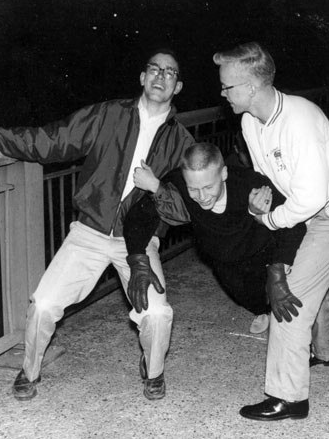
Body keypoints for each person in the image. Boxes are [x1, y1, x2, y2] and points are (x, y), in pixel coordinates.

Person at [0, 48, 194, 401]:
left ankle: (154, 370)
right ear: (142, 77)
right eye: (154, 69)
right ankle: (29, 371)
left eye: (170, 72)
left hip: (138, 242)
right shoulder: (108, 114)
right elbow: (52, 140)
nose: (161, 76)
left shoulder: (181, 142)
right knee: (43, 304)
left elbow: (184, 210)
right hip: (89, 231)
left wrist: (156, 187)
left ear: (177, 87)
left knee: (159, 314)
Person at [213, 42, 329, 421]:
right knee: (314, 280)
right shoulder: (250, 122)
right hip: (304, 210)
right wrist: (262, 207)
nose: (222, 93)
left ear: (251, 87)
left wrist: (269, 221)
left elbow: (310, 198)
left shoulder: (301, 121)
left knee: (290, 298)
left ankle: (289, 398)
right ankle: (326, 352)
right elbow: (270, 181)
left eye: (227, 86)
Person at [124, 142, 306, 335]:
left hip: (261, 248)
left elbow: (294, 224)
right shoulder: (177, 182)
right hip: (223, 258)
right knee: (247, 297)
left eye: (209, 187)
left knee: (286, 305)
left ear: (224, 174)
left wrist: (279, 268)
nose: (202, 196)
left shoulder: (251, 183)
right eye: (193, 189)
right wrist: (138, 260)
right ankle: (261, 310)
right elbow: (137, 217)